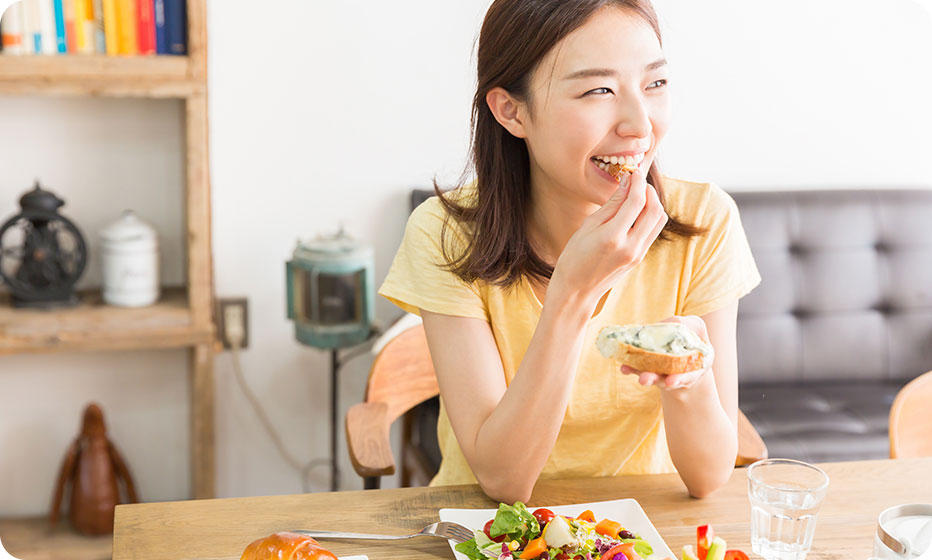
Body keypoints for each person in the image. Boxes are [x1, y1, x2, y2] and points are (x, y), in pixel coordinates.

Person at [379, 0, 760, 503]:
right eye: (598, 90)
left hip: (639, 531)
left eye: (655, 84)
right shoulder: (445, 234)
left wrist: (687, 372)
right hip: (488, 531)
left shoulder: (705, 220)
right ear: (511, 112)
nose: (639, 125)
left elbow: (709, 477)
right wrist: (573, 293)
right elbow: (502, 480)